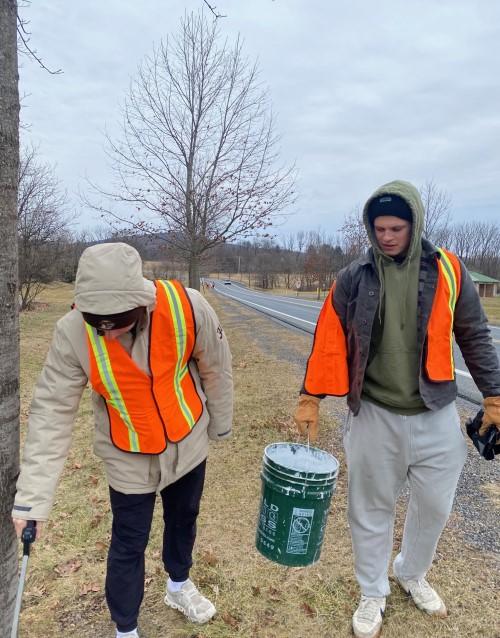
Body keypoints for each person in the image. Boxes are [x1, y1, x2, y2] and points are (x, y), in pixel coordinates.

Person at [293, 180, 500, 638]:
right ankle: (372, 592)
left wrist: (493, 395)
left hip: (435, 411)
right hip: (373, 413)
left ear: (415, 225)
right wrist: (310, 397)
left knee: (435, 504)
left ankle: (410, 571)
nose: (386, 236)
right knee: (370, 508)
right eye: (379, 228)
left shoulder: (450, 271)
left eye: (396, 228)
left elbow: (475, 335)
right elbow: (328, 341)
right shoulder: (353, 277)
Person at [12, 243, 233, 638]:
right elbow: (51, 412)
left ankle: (178, 586)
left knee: (184, 519)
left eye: (116, 322)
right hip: (128, 453)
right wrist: (33, 500)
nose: (107, 334)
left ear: (141, 304)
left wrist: (220, 425)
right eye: (98, 324)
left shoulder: (188, 306)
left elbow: (216, 365)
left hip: (188, 440)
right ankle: (126, 628)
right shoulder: (72, 332)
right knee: (129, 541)